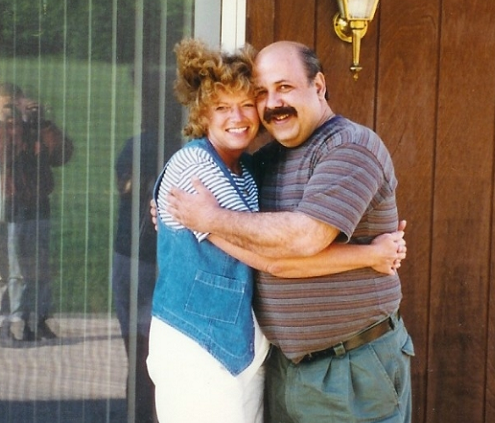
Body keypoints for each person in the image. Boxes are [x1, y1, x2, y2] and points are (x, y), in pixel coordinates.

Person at [146, 38, 406, 423]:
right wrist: (370, 254)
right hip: (271, 364)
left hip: (349, 367)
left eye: (283, 88)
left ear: (318, 86)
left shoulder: (350, 147)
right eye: (262, 93)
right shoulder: (265, 161)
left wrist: (208, 221)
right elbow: (249, 240)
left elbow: (299, 242)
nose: (271, 104)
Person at [0, 82, 74, 346]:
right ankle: (9, 321)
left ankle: (36, 318)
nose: (13, 111)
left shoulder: (32, 128)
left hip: (37, 204)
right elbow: (6, 156)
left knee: (39, 267)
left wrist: (43, 123)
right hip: (9, 205)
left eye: (16, 104)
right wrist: (13, 124)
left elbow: (61, 154)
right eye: (7, 105)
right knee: (12, 267)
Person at [112, 128, 159, 422]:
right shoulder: (137, 145)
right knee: (139, 356)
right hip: (133, 256)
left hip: (151, 258)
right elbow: (125, 186)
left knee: (148, 357)